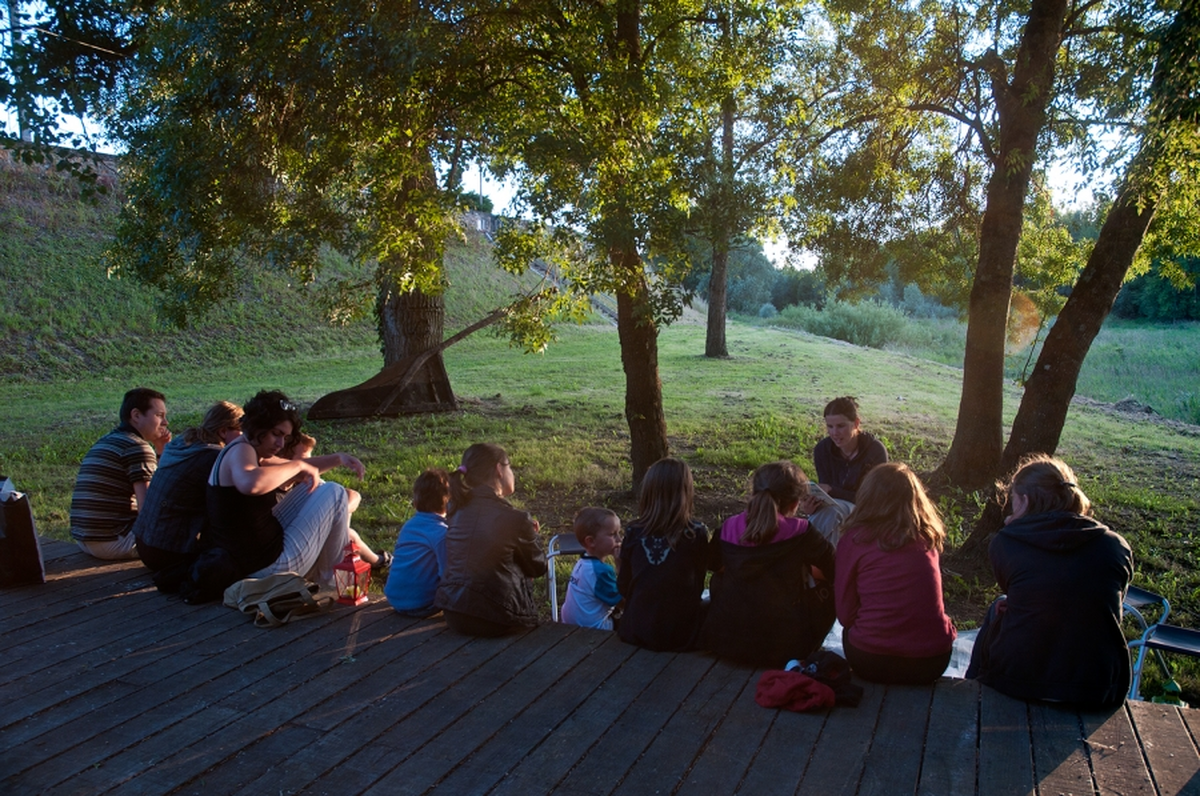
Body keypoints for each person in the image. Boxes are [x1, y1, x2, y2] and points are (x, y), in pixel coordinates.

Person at [966, 455, 1133, 707]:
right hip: (1099, 686)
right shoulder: (1115, 545)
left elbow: (1025, 593)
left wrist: (1012, 531)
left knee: (999, 605)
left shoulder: (1007, 542)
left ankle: (970, 689)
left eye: (1013, 501)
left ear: (1025, 500)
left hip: (1017, 678)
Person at [203, 390, 376, 590]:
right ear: (258, 426)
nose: (280, 443)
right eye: (276, 434)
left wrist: (337, 459)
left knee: (316, 487)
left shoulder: (249, 450)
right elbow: (250, 483)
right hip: (265, 569)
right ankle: (331, 581)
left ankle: (328, 573)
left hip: (255, 560)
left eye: (285, 437)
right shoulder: (241, 450)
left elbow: (295, 468)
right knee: (335, 492)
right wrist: (298, 466)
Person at [701, 461, 836, 667]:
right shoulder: (802, 532)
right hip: (787, 646)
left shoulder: (728, 527)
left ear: (753, 494)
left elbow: (713, 565)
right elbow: (835, 568)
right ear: (794, 504)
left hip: (725, 641)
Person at [834, 462, 956, 685]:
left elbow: (845, 615)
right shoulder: (927, 539)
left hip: (872, 659)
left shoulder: (856, 540)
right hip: (932, 662)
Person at [435, 444, 547, 636]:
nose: (512, 472)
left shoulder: (455, 509)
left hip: (454, 612)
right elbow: (538, 567)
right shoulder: (516, 519)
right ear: (499, 470)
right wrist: (532, 536)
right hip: (497, 617)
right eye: (510, 466)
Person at [132, 400, 243, 572]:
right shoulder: (212, 457)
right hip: (168, 554)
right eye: (242, 432)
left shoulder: (182, 444)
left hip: (145, 543)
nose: (247, 439)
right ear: (223, 431)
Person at [617, 458, 711, 652]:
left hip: (636, 630)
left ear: (648, 492)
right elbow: (697, 585)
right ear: (686, 492)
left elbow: (623, 586)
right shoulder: (696, 533)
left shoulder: (633, 532)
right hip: (682, 635)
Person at [69, 387, 171, 560]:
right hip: (115, 540)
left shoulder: (108, 440)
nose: (165, 422)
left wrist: (160, 449)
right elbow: (147, 507)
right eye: (159, 415)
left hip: (85, 539)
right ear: (136, 415)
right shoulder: (137, 447)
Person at [283, 431, 386, 569]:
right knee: (349, 536)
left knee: (343, 530)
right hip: (294, 551)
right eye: (305, 461)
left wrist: (333, 515)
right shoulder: (272, 489)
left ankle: (379, 561)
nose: (311, 467)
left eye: (312, 460)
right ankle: (380, 561)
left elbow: (353, 495)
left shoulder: (304, 484)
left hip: (313, 543)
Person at [800, 396, 889, 544]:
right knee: (830, 514)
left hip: (866, 510)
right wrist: (812, 506)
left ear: (856, 424)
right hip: (833, 510)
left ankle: (813, 559)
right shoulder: (823, 449)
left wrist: (831, 490)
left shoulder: (874, 451)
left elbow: (874, 499)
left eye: (841, 426)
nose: (834, 433)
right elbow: (826, 496)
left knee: (832, 514)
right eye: (830, 426)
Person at [384, 468, 451, 618]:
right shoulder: (441, 534)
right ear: (449, 504)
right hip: (422, 603)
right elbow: (447, 573)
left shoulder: (409, 525)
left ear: (415, 502)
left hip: (394, 598)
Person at [561, 507, 624, 631]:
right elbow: (623, 602)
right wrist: (620, 566)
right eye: (612, 534)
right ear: (591, 542)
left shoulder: (582, 563)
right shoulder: (600, 571)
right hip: (593, 630)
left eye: (619, 533)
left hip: (570, 625)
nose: (619, 540)